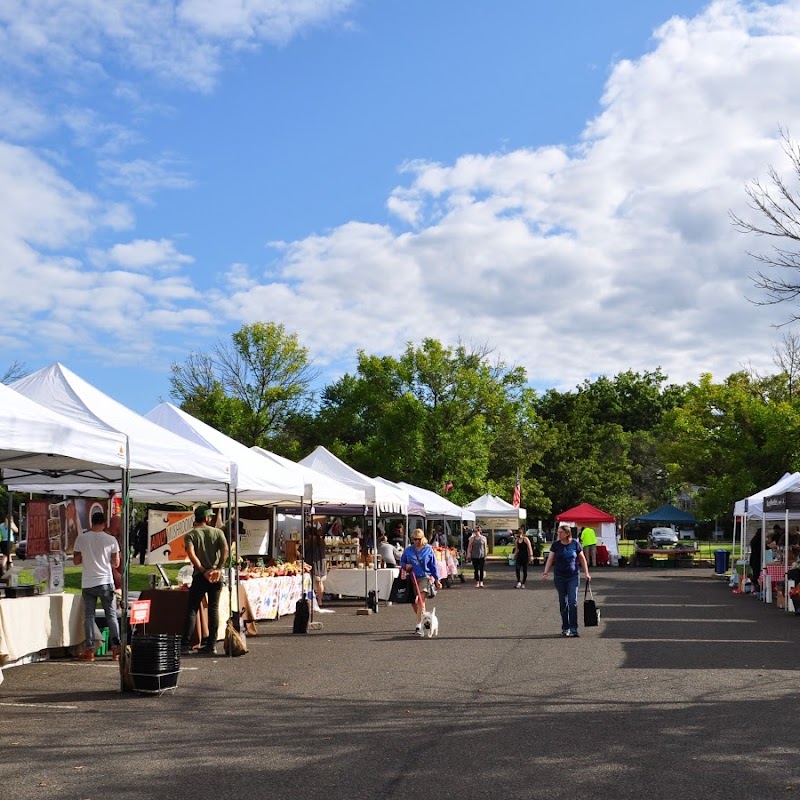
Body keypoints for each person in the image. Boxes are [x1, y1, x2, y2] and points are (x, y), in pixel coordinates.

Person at [72, 510, 121, 662]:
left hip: (88, 582)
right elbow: (116, 563)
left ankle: (90, 650)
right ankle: (116, 649)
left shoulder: (82, 538)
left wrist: (87, 556)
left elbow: (76, 561)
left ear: (91, 523)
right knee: (111, 615)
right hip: (106, 581)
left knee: (89, 616)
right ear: (104, 523)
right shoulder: (111, 540)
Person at [181, 506, 229, 655]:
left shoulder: (190, 535)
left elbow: (191, 554)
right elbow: (226, 551)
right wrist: (219, 568)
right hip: (216, 575)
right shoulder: (217, 532)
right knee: (213, 610)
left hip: (200, 576)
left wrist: (202, 570)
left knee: (192, 609)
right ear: (207, 518)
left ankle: (186, 644)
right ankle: (211, 644)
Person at [542, 523, 591, 637]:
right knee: (563, 603)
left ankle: (573, 628)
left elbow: (582, 559)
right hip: (559, 577)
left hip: (573, 576)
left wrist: (586, 573)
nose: (558, 534)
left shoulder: (575, 544)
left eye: (561, 532)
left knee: (572, 602)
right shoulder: (556, 545)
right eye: (558, 532)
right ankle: (565, 627)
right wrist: (546, 572)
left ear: (567, 533)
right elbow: (550, 559)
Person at [400, 529, 441, 635]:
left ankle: (418, 626)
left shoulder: (428, 550)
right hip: (412, 578)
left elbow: (433, 566)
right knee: (414, 603)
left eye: (418, 539)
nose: (416, 541)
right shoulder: (409, 550)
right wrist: (406, 566)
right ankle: (424, 618)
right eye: (414, 539)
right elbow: (402, 561)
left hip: (424, 577)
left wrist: (437, 580)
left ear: (423, 538)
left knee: (420, 601)